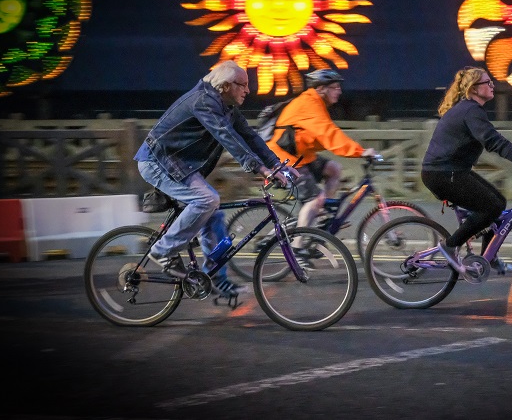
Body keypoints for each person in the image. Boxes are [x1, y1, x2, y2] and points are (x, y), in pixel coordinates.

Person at [134, 61, 296, 297]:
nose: (248, 91)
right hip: (158, 161)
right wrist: (258, 169)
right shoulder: (204, 102)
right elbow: (226, 136)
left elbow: (250, 137)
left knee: (214, 212)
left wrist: (276, 165)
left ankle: (214, 279)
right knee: (207, 200)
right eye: (243, 85)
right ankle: (162, 251)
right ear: (226, 86)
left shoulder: (226, 107)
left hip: (180, 164)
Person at [420, 66, 512, 279]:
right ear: (473, 89)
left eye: (491, 82)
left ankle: (489, 255)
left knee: (497, 201)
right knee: (492, 206)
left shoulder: (471, 110)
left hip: (452, 171)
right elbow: (494, 143)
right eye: (487, 83)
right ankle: (450, 246)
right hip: (442, 174)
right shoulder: (470, 111)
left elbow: (494, 138)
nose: (492, 86)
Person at [266, 69, 377, 231]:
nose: (339, 91)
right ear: (320, 89)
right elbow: (329, 134)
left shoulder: (317, 103)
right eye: (335, 87)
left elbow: (320, 137)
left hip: (301, 156)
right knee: (314, 199)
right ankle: (299, 248)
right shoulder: (309, 104)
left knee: (334, 169)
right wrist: (360, 151)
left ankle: (320, 217)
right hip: (284, 159)